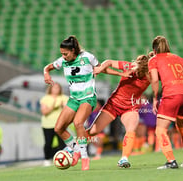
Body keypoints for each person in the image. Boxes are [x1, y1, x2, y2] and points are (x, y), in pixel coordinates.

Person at [43, 35, 121, 170]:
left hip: (88, 97)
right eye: (61, 54)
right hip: (74, 99)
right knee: (58, 128)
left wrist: (121, 74)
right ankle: (75, 150)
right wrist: (46, 73)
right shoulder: (63, 61)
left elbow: (102, 68)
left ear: (73, 50)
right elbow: (48, 67)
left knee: (78, 122)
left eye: (65, 53)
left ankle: (85, 157)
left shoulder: (87, 57)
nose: (63, 56)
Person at [148, 36, 183, 169]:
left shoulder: (153, 60)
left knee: (160, 130)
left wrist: (155, 98)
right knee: (182, 127)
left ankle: (171, 161)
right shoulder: (178, 58)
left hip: (172, 94)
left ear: (154, 50)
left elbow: (155, 80)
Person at [89, 54, 150, 168]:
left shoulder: (150, 75)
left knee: (131, 128)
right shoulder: (128, 66)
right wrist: (100, 69)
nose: (135, 64)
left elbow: (168, 75)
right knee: (92, 132)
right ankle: (73, 148)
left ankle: (124, 158)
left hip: (130, 107)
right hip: (114, 104)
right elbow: (109, 61)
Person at [40, 83, 68, 165]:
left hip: (60, 124)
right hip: (48, 124)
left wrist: (63, 106)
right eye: (54, 88)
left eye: (58, 87)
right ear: (50, 89)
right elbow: (44, 112)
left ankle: (64, 159)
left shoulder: (64, 97)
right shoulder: (45, 98)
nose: (56, 89)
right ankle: (47, 159)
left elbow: (68, 109)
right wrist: (53, 105)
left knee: (62, 143)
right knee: (48, 143)